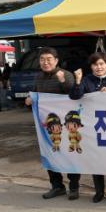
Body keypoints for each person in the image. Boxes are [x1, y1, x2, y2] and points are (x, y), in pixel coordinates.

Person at [24, 47, 79, 200]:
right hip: (47, 125)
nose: (45, 62)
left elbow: (74, 95)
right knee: (50, 153)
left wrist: (63, 81)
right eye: (42, 59)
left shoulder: (66, 74)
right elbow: (35, 95)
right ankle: (57, 186)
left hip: (66, 125)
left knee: (70, 154)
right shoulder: (39, 77)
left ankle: (74, 187)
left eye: (49, 59)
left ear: (56, 60)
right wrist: (29, 99)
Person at [69, 52, 106, 203]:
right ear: (91, 67)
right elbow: (75, 96)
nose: (99, 67)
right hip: (92, 127)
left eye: (102, 64)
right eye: (95, 64)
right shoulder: (86, 80)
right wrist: (78, 80)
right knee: (96, 160)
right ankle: (99, 191)